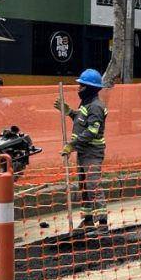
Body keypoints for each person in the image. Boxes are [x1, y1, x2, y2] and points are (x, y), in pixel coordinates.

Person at [58, 69, 109, 235]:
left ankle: (102, 224)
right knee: (84, 187)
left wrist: (72, 144)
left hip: (92, 154)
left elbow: (91, 132)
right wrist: (70, 112)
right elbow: (81, 121)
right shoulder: (86, 105)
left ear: (90, 88)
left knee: (93, 185)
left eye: (81, 86)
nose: (78, 89)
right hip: (83, 152)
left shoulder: (96, 107)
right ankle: (88, 221)